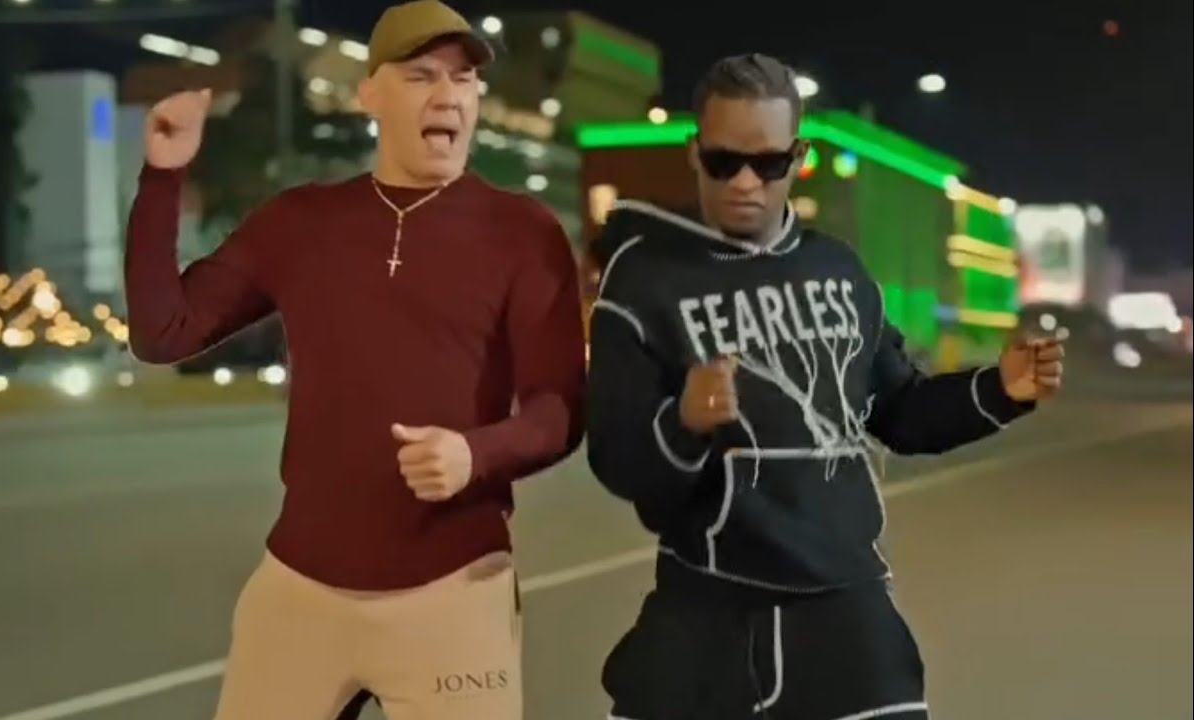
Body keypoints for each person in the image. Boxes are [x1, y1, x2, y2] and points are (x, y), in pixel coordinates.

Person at [124, 1, 586, 718]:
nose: (448, 95)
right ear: (369, 94)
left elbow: (559, 408)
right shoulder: (302, 222)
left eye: (463, 79)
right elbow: (165, 332)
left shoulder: (523, 233)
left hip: (454, 591)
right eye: (421, 75)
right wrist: (164, 174)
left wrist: (475, 453)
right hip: (300, 591)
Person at [585, 53, 1066, 720]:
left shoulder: (837, 269)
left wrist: (998, 391)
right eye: (724, 161)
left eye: (768, 163)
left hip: (847, 608)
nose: (746, 182)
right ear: (695, 153)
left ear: (799, 156)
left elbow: (899, 411)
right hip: (709, 607)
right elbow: (616, 456)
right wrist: (683, 422)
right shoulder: (645, 279)